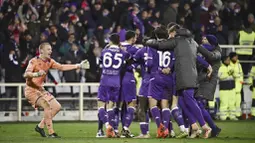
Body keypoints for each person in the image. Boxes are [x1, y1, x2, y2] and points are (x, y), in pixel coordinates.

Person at [145, 26, 212, 138]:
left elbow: (157, 50)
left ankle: (202, 127)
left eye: (172, 33)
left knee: (186, 101)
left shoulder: (176, 43)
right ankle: (193, 127)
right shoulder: (190, 43)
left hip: (181, 77)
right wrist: (208, 65)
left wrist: (147, 41)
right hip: (175, 78)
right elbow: (197, 56)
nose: (171, 35)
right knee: (180, 103)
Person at [23, 42, 90, 138]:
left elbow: (62, 67)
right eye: (48, 49)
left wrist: (78, 65)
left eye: (51, 49)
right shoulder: (33, 61)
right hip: (31, 90)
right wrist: (36, 74)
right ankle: (51, 133)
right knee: (46, 105)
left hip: (41, 90)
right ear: (41, 51)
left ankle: (40, 126)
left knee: (57, 107)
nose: (50, 51)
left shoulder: (50, 61)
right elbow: (26, 74)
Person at [97, 33, 130, 138]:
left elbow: (101, 60)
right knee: (111, 107)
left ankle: (107, 126)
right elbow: (129, 57)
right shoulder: (123, 52)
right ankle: (113, 129)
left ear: (110, 41)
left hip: (105, 80)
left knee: (101, 106)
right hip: (116, 82)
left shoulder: (105, 51)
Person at [195, 35, 222, 137]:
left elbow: (211, 56)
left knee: (200, 105)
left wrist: (197, 47)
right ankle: (214, 128)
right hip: (201, 80)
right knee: (198, 105)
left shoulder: (217, 52)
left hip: (209, 81)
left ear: (211, 42)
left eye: (205, 39)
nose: (202, 40)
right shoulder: (203, 50)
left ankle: (213, 129)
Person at [119, 31, 139, 138]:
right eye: (135, 37)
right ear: (132, 38)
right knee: (132, 103)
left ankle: (114, 129)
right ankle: (126, 128)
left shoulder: (118, 46)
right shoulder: (134, 49)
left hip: (117, 78)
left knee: (120, 104)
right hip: (128, 77)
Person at [218, 56, 236, 121]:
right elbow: (219, 77)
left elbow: (236, 76)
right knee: (224, 103)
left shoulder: (231, 67)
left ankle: (232, 116)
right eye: (228, 60)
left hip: (231, 88)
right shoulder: (221, 68)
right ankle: (223, 117)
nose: (229, 61)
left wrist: (233, 74)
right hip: (224, 89)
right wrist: (228, 74)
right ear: (224, 61)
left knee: (232, 103)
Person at [229, 52, 243, 119]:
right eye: (235, 56)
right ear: (231, 57)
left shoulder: (238, 64)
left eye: (236, 56)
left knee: (238, 102)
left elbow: (241, 74)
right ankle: (232, 115)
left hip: (238, 87)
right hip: (231, 87)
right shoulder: (229, 64)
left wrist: (241, 81)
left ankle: (238, 115)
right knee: (232, 102)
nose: (236, 57)